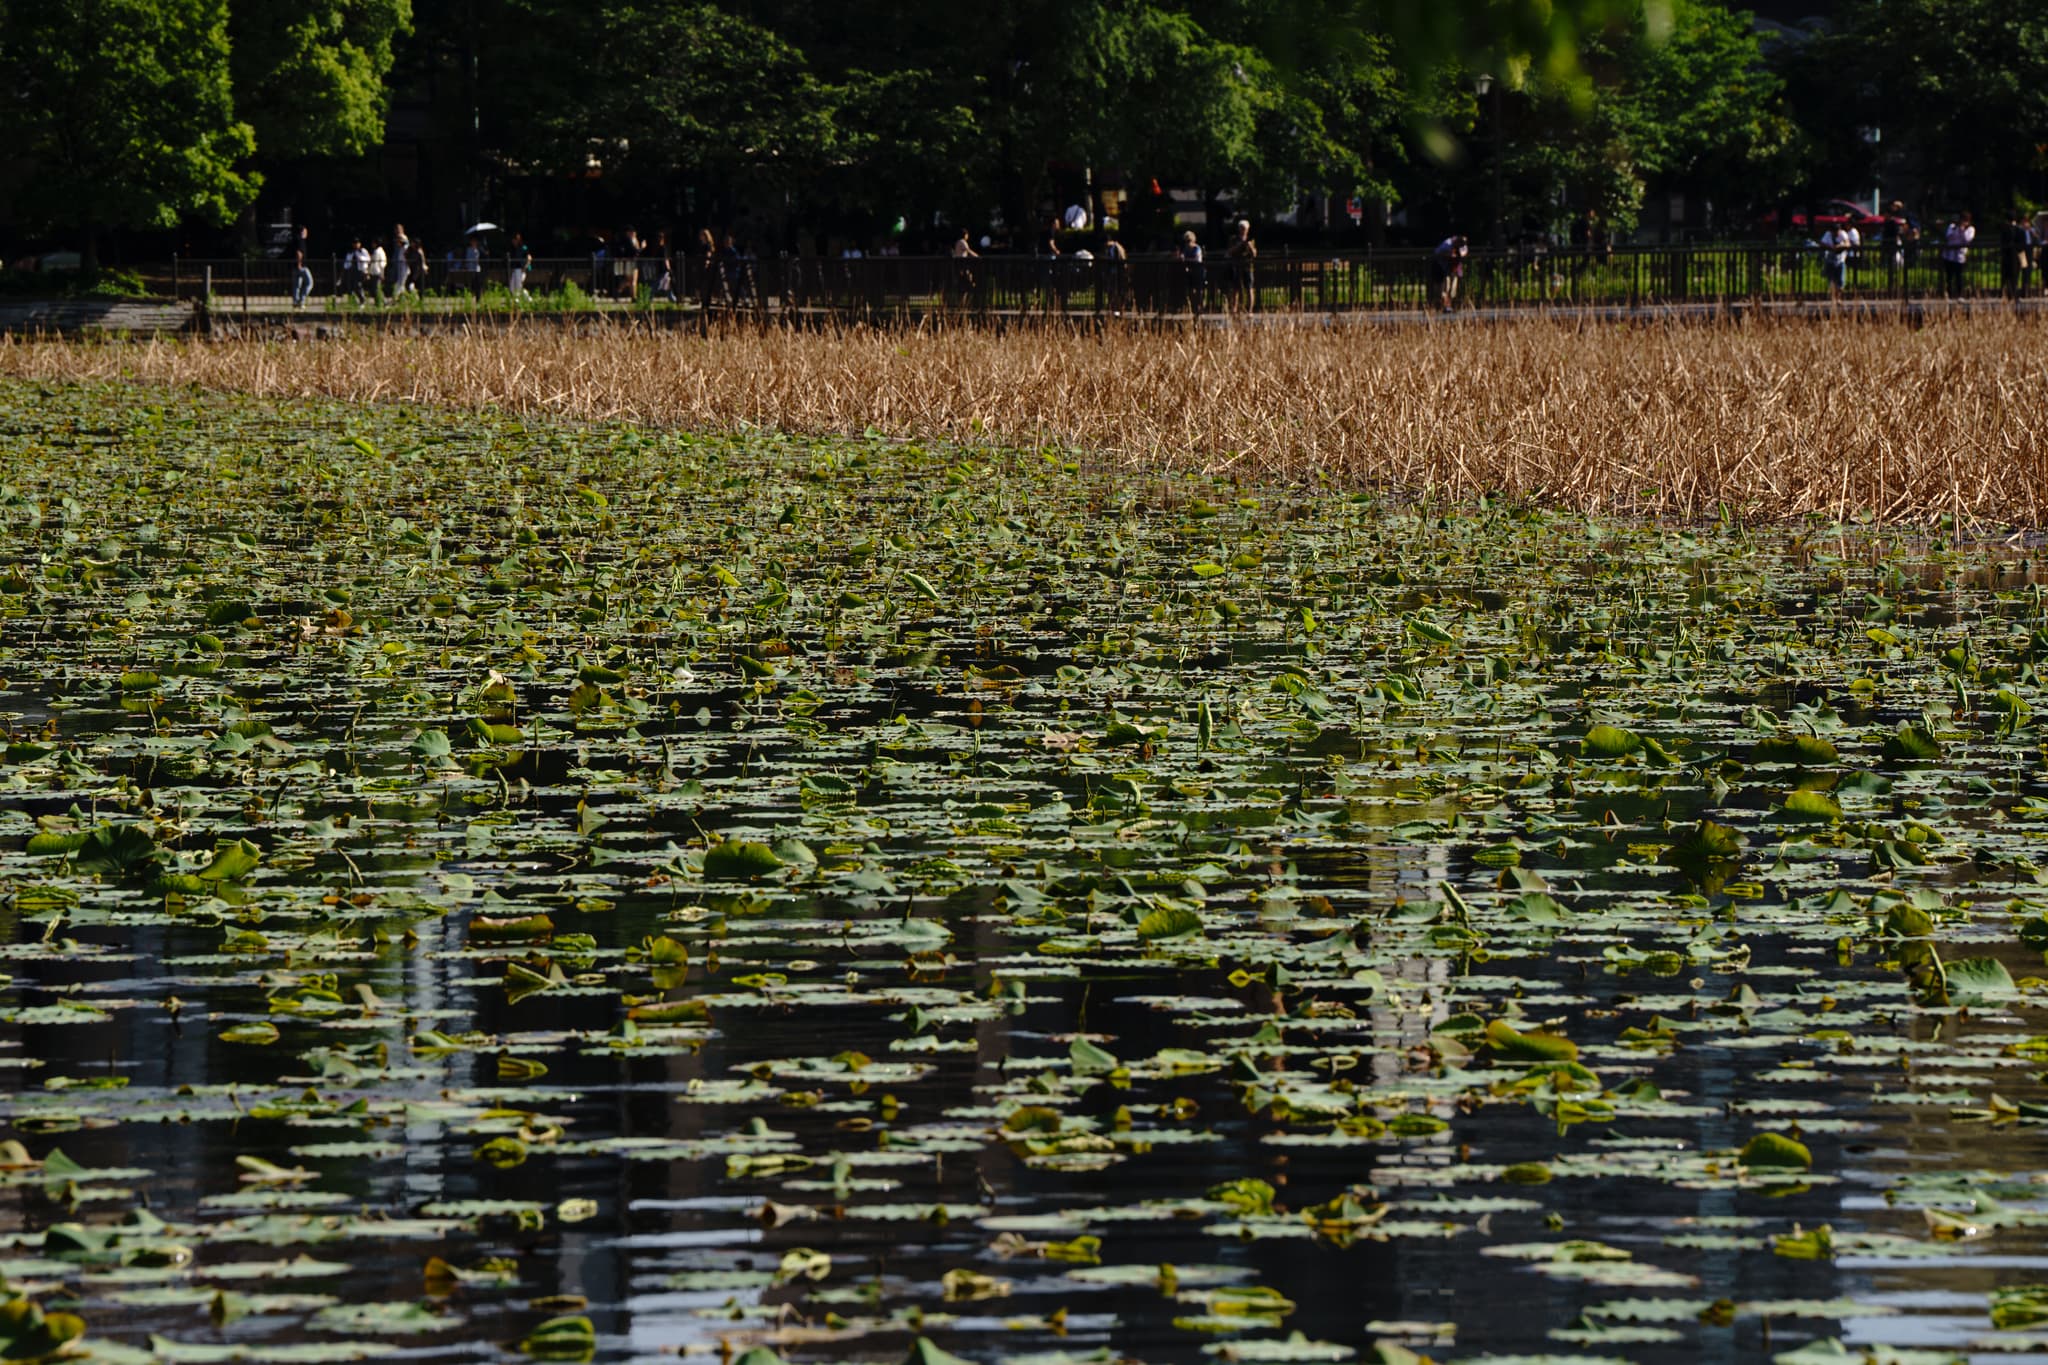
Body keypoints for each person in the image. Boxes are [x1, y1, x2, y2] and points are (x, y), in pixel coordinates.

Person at [1429, 234, 1469, 313]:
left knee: (1453, 289)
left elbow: (1464, 252)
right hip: (1442, 268)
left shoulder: (1462, 245)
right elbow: (1436, 253)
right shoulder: (1446, 245)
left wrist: (1457, 255)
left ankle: (1451, 305)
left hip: (1454, 269)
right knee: (1445, 288)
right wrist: (1448, 255)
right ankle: (1444, 306)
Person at [1225, 218, 1256, 312]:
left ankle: (1249, 310)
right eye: (1241, 228)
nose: (1243, 230)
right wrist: (1239, 246)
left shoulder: (1251, 240)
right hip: (1236, 266)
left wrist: (1250, 247)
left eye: (1244, 228)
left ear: (1248, 229)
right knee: (1235, 289)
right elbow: (1229, 252)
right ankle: (1234, 309)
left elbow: (1254, 254)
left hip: (1247, 266)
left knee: (1249, 288)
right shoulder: (1233, 239)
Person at [1941, 211, 1974, 298]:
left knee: (1959, 277)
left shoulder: (1970, 229)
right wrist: (1956, 229)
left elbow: (1967, 239)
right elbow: (1948, 237)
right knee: (1949, 277)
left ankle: (1959, 295)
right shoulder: (1952, 227)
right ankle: (1949, 294)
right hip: (1949, 255)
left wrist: (1962, 230)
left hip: (1960, 256)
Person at [1819, 219, 1854, 301]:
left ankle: (1838, 297)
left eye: (1837, 231)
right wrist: (1831, 248)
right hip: (1830, 261)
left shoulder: (1843, 234)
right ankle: (1833, 298)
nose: (1836, 233)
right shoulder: (1827, 234)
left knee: (1841, 281)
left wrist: (1839, 247)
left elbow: (1848, 244)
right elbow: (1822, 243)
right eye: (1834, 232)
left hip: (1840, 261)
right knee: (1831, 280)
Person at [1177, 229, 1205, 313]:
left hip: (1198, 271)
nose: (1188, 242)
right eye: (1186, 241)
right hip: (1189, 273)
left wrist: (1185, 259)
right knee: (1191, 291)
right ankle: (1192, 307)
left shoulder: (1197, 248)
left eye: (1189, 240)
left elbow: (1197, 259)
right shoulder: (1185, 249)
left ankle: (1200, 307)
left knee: (1199, 290)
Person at [342, 237, 372, 302]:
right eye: (354, 243)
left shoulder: (363, 251)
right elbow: (346, 263)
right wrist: (346, 269)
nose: (356, 245)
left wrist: (361, 258)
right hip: (352, 271)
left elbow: (368, 259)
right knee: (350, 286)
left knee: (358, 285)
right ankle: (353, 300)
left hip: (361, 270)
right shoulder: (350, 252)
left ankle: (362, 299)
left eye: (357, 243)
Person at [290, 226, 313, 308]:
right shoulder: (301, 241)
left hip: (294, 267)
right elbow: (299, 253)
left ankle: (295, 302)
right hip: (302, 267)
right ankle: (301, 300)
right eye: (306, 232)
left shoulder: (294, 240)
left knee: (296, 286)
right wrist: (299, 263)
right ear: (302, 232)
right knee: (310, 283)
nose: (307, 234)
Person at [388, 224, 411, 299]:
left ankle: (397, 297)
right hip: (399, 264)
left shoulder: (405, 248)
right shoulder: (401, 248)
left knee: (401, 282)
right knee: (400, 282)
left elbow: (407, 257)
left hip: (403, 266)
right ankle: (402, 298)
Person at [508, 232, 531, 298]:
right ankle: (527, 298)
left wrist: (525, 267)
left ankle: (518, 299)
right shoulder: (513, 249)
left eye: (515, 240)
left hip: (520, 270)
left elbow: (529, 258)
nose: (513, 242)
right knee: (512, 287)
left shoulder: (523, 247)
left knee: (518, 286)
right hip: (515, 270)